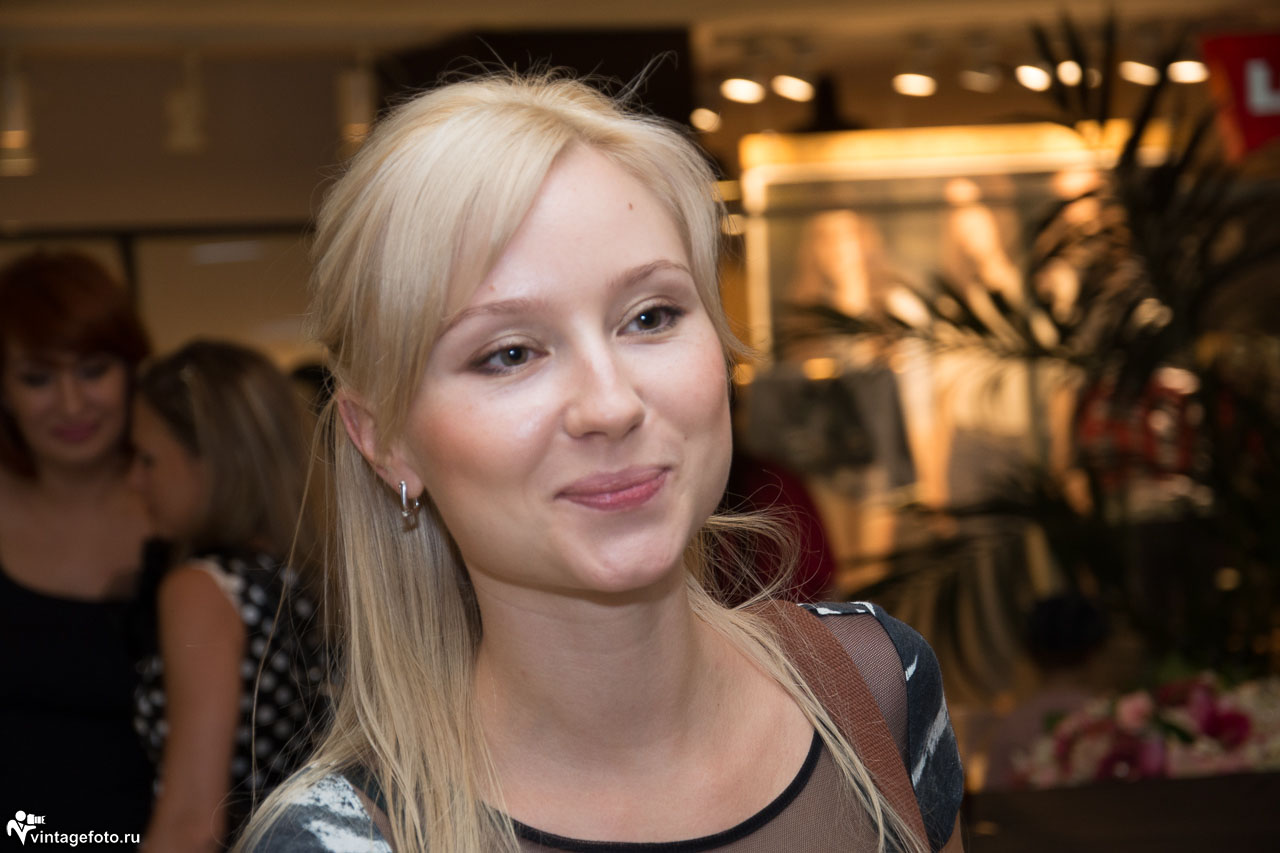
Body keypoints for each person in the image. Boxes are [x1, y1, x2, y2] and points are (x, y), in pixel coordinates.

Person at [242, 73, 963, 853]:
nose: (610, 404)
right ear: (385, 440)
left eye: (650, 316)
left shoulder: (877, 687)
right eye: (509, 353)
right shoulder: (338, 839)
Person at [129, 340, 326, 851]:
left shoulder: (204, 588)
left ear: (208, 462)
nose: (135, 480)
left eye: (148, 459)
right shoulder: (312, 576)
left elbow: (193, 823)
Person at [0, 250, 155, 837]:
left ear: (132, 371)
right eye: (37, 378)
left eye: (93, 370)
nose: (71, 404)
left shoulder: (192, 514)